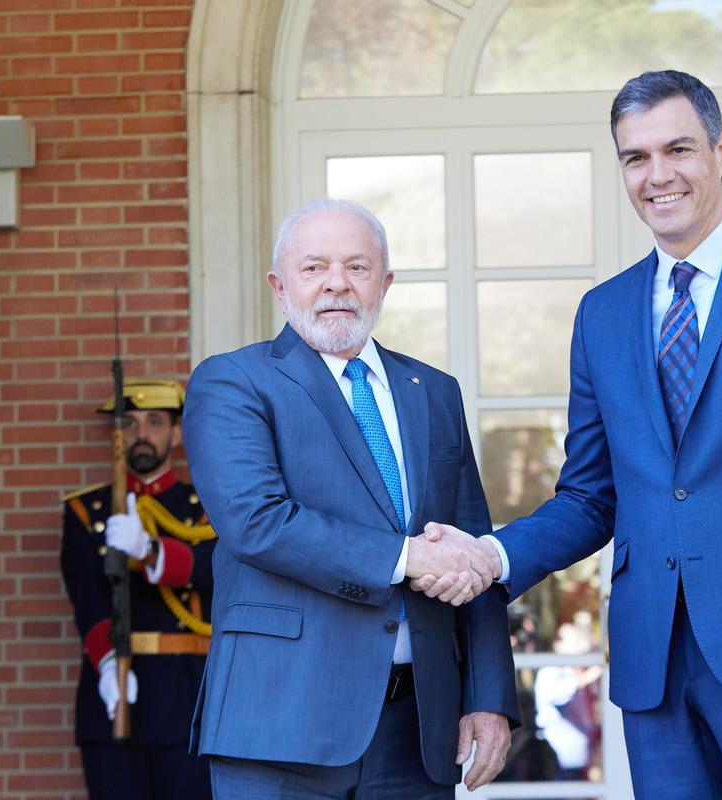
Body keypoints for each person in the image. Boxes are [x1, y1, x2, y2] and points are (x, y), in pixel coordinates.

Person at [414, 69, 722, 798]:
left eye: (678, 149)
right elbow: (589, 497)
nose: (657, 175)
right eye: (635, 158)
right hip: (654, 668)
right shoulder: (602, 314)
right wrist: (490, 554)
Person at [183, 199, 519, 798]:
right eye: (314, 268)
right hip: (279, 722)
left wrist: (489, 698)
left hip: (418, 729)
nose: (336, 283)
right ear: (279, 286)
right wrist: (408, 557)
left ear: (384, 284)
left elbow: (473, 548)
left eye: (356, 267)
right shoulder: (234, 380)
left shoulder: (435, 392)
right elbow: (256, 522)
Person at [60, 379, 216, 800]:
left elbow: (213, 572)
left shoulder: (206, 506)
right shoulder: (85, 510)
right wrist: (109, 665)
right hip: (114, 691)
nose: (141, 434)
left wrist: (149, 551)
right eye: (128, 424)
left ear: (176, 434)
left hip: (187, 694)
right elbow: (86, 597)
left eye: (154, 422)